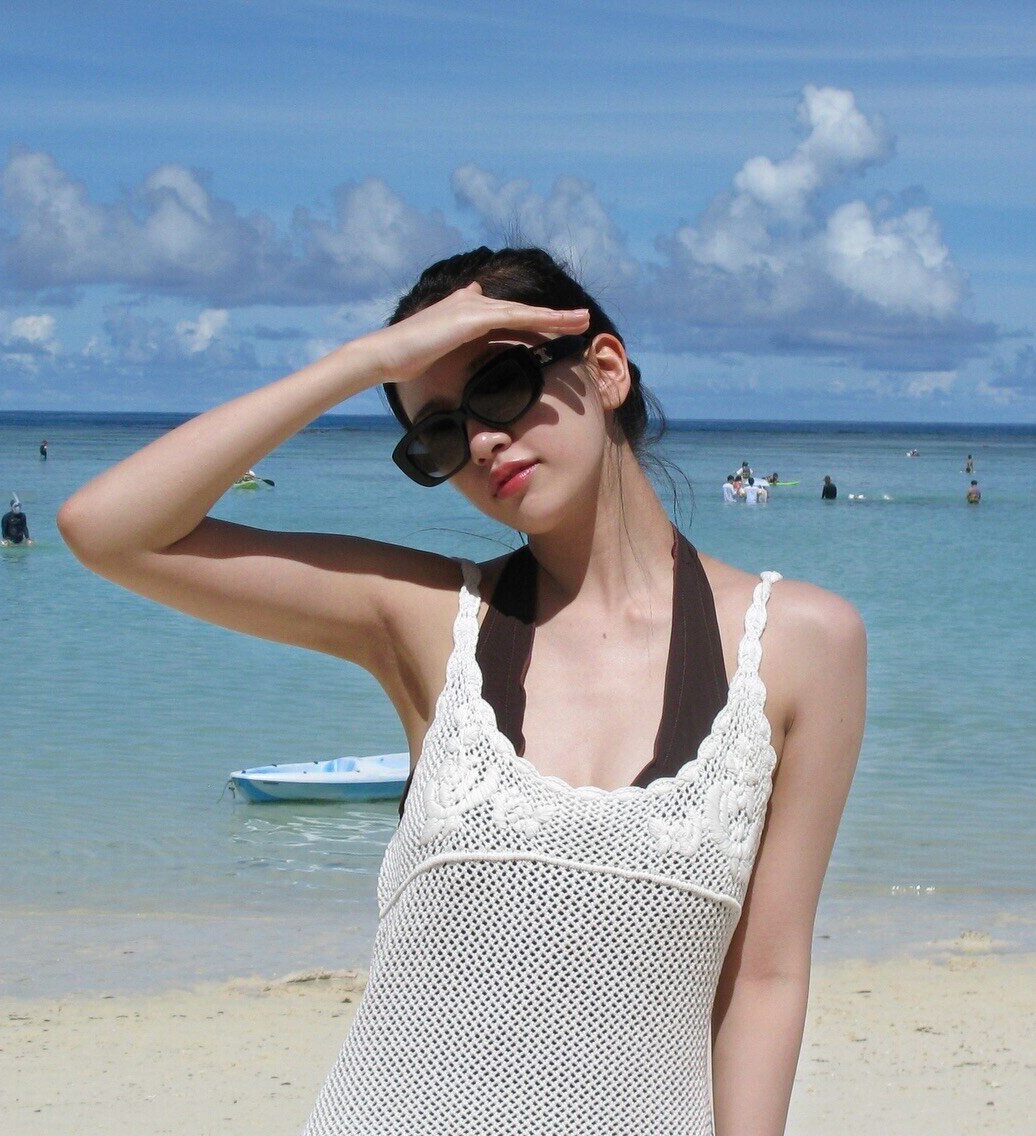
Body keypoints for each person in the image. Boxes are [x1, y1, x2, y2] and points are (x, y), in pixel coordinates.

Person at [58, 245, 867, 1133]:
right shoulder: (431, 622)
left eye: (500, 386)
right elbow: (109, 530)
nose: (481, 440)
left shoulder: (798, 646)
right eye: (439, 432)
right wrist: (366, 361)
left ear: (605, 369)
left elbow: (764, 979)